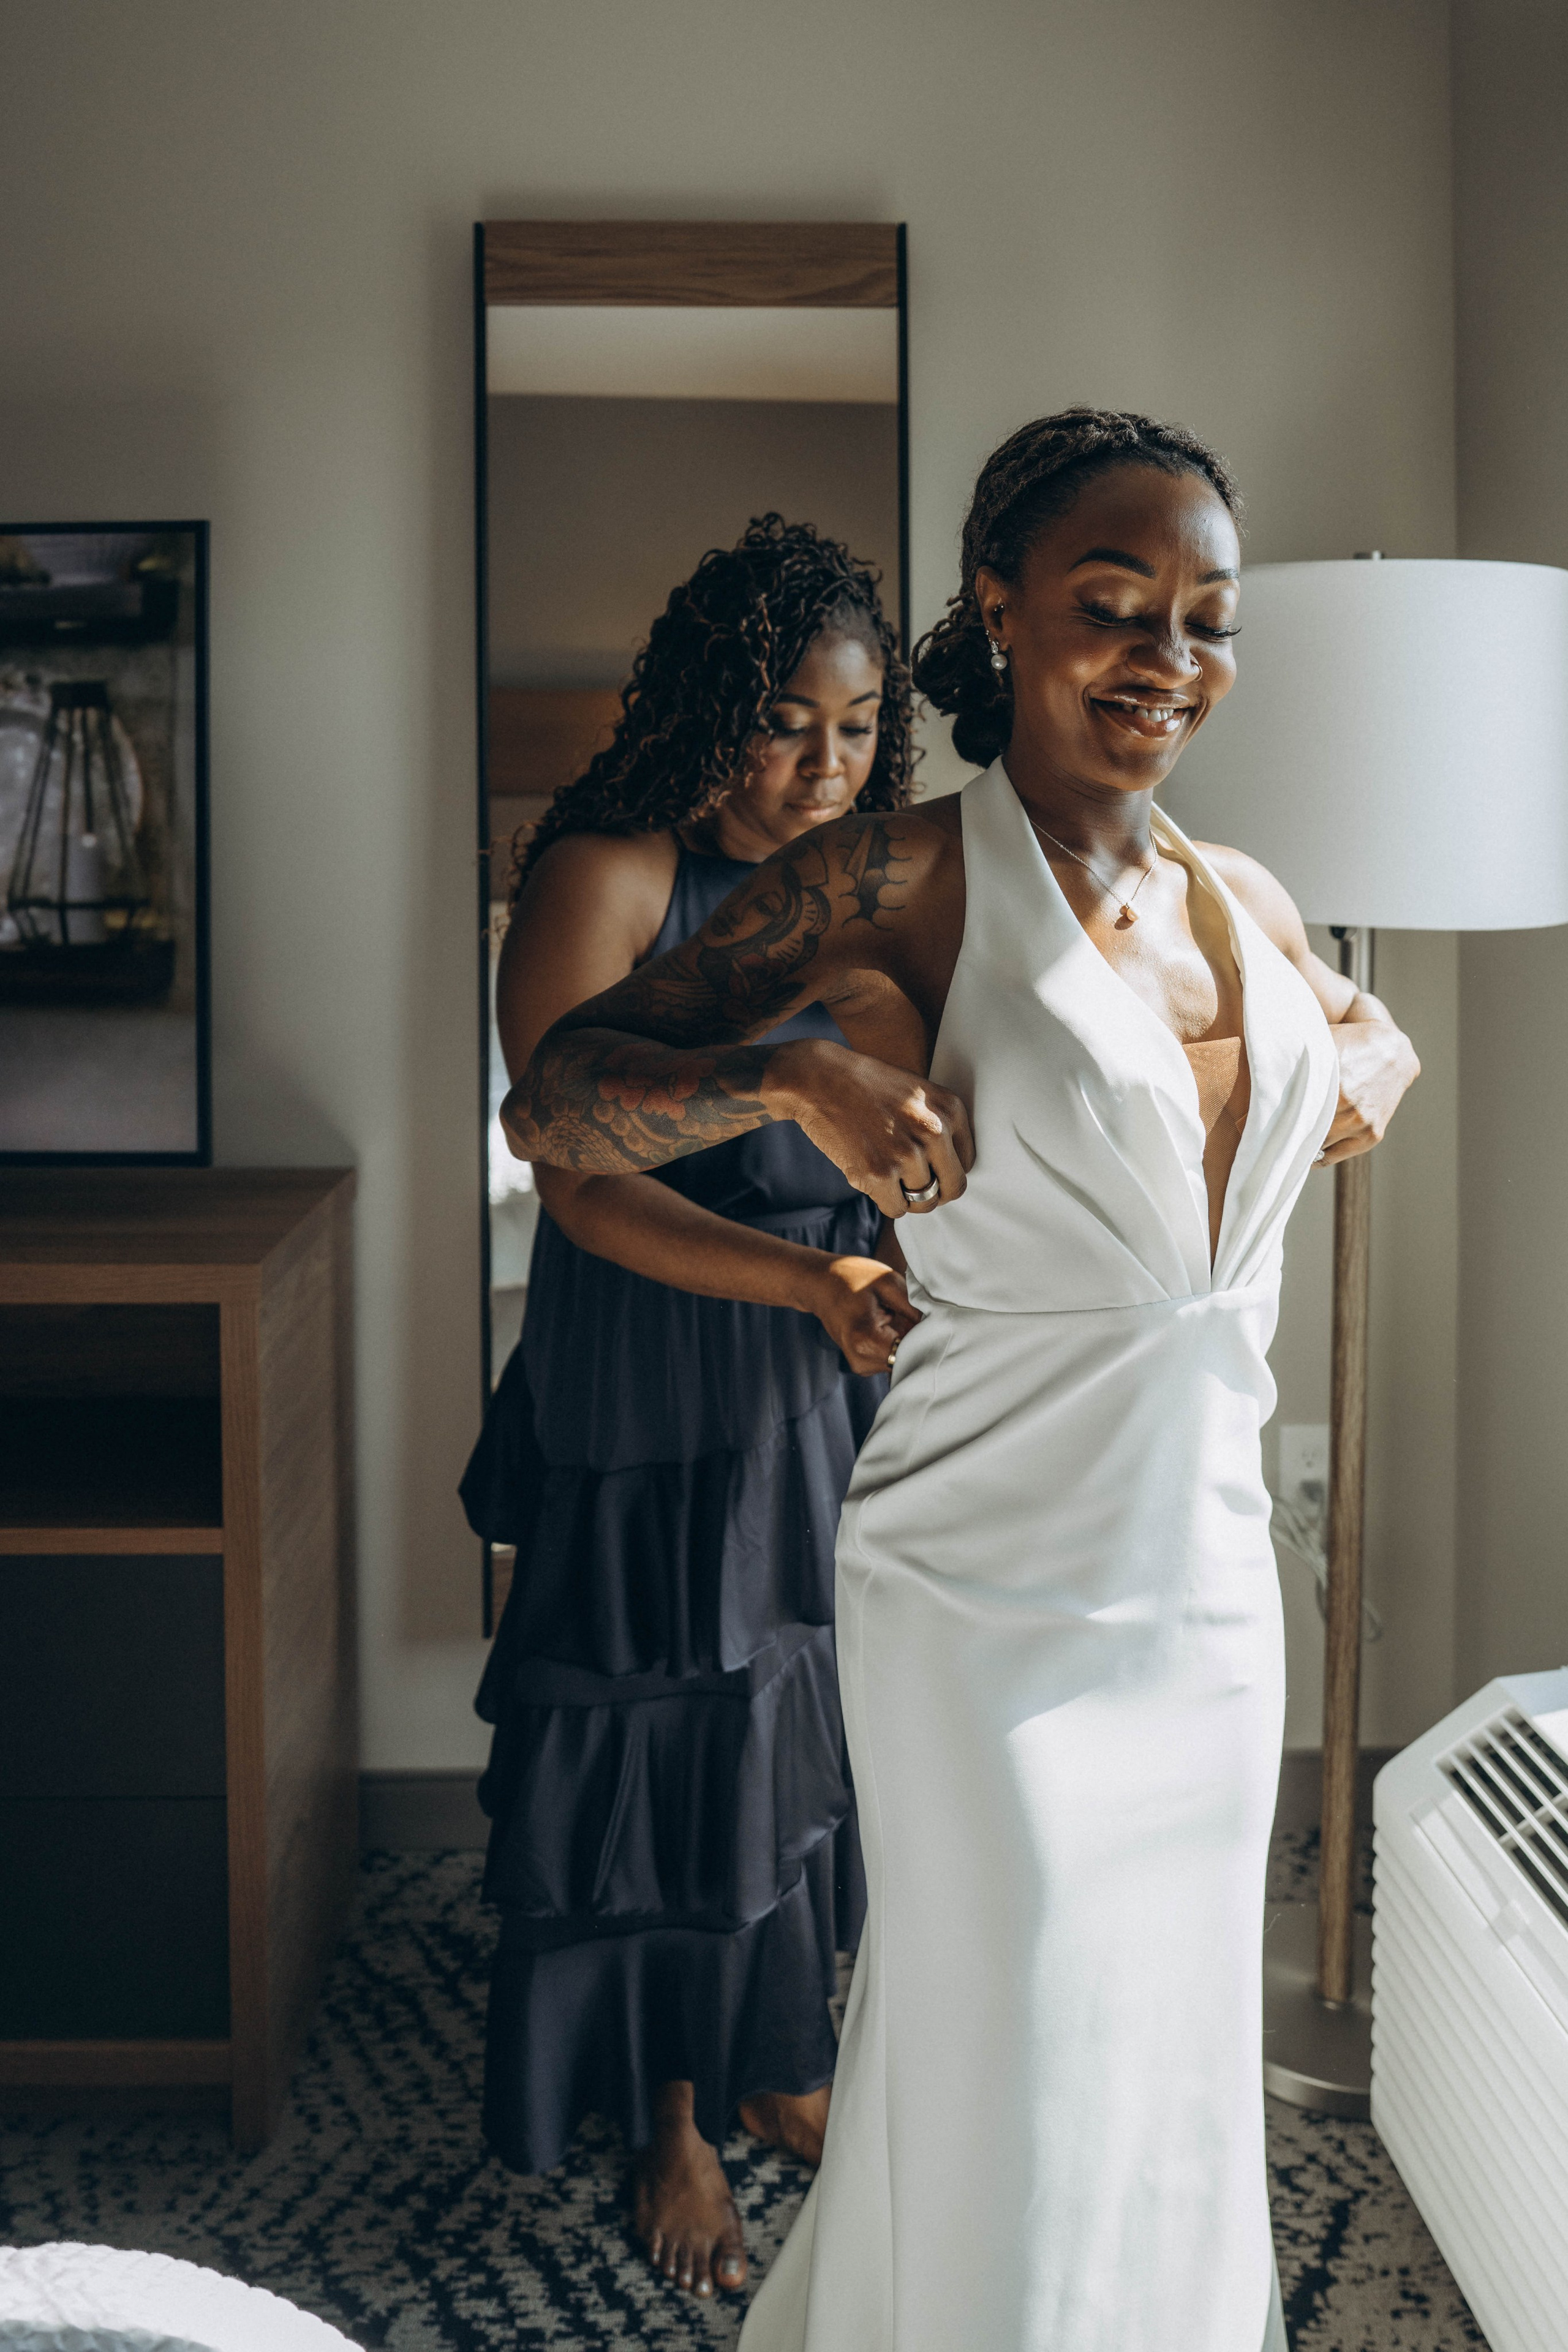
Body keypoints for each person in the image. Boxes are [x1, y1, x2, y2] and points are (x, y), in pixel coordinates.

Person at [496, 410, 1422, 2350]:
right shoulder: (889, 881)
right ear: (1001, 610)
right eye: (1115, 604)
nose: (1168, 654)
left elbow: (1364, 1038)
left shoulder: (1247, 900)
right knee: (1022, 2041)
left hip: (1206, 1594)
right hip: (984, 1590)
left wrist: (1365, 1063)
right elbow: (556, 1104)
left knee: (1164, 2058)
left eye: (1206, 618)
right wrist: (791, 1076)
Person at [462, 515, 920, 2302]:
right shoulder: (613, 869)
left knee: (798, 1715)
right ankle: (669, 2115)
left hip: (813, 1364)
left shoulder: (868, 883)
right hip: (655, 1359)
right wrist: (807, 1273)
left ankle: (775, 2053)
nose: (824, 766)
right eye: (785, 724)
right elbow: (574, 1177)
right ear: (704, 715)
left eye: (859, 728)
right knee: (659, 1737)